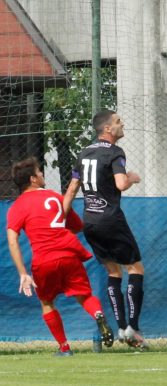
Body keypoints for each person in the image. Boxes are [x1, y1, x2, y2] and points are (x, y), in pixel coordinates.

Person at [6, 157, 114, 356]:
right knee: (85, 296)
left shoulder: (18, 207)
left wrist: (23, 273)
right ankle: (98, 314)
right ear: (32, 179)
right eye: (39, 173)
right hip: (69, 254)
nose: (42, 175)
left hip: (44, 260)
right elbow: (77, 226)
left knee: (47, 303)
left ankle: (64, 348)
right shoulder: (55, 197)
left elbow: (12, 240)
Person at [63, 109, 148, 349]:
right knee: (136, 269)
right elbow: (121, 184)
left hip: (90, 221)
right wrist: (132, 178)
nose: (123, 124)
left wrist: (61, 222)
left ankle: (121, 328)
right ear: (108, 129)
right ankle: (133, 327)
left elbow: (70, 191)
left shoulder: (83, 153)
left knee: (113, 273)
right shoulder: (115, 152)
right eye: (118, 121)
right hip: (111, 219)